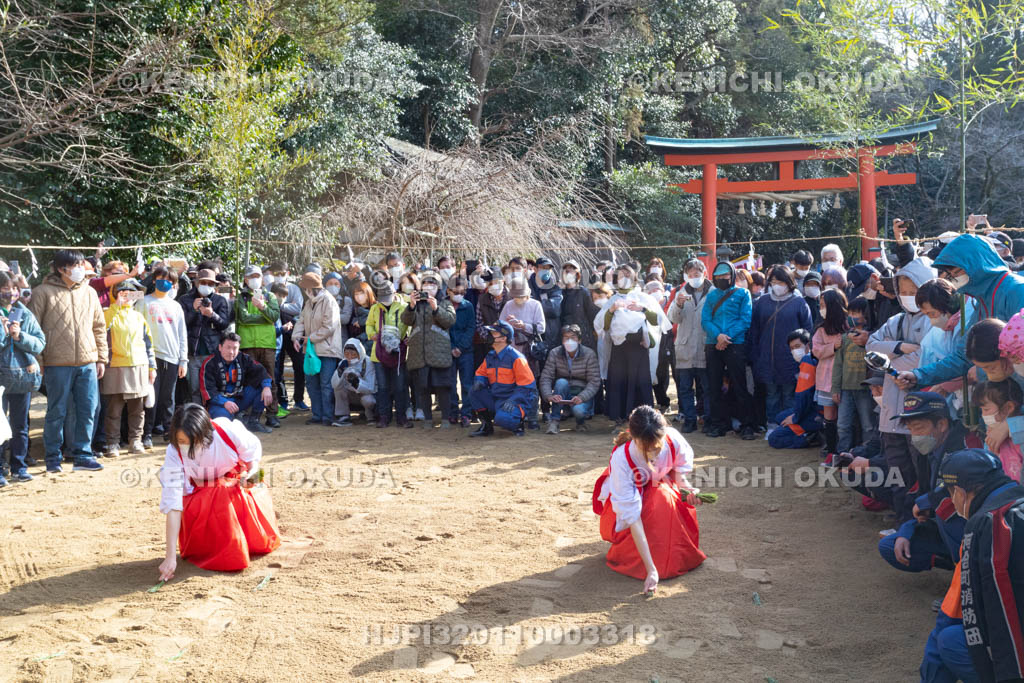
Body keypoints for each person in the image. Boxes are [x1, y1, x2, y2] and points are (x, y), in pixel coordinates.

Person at [157, 404, 280, 578]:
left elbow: (255, 465)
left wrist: (251, 478)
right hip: (201, 498)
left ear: (206, 434)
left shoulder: (227, 432)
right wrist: (170, 557)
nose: (187, 448)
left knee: (229, 491)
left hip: (235, 486)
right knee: (219, 493)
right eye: (182, 441)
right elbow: (173, 504)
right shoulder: (173, 452)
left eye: (193, 441)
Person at [592, 406, 706, 593]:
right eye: (648, 447)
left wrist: (689, 489)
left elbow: (677, 475)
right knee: (660, 499)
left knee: (664, 496)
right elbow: (632, 518)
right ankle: (650, 561)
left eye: (657, 445)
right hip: (633, 497)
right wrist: (651, 569)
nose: (654, 452)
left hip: (661, 486)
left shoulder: (673, 438)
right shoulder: (622, 459)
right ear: (634, 439)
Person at [899, 234, 1024, 392]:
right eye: (950, 275)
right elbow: (963, 355)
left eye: (956, 272)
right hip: (1004, 393)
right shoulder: (981, 301)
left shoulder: (1017, 290)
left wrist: (981, 369)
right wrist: (918, 376)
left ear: (975, 263)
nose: (953, 279)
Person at [940, 449, 1024, 682]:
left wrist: (1008, 675)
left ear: (958, 491)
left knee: (951, 640)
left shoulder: (984, 524)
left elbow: (986, 606)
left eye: (950, 494)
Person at [867, 255, 936, 524]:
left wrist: (891, 357)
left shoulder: (934, 321)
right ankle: (902, 523)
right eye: (903, 292)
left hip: (918, 411)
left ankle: (921, 529)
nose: (908, 297)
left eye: (913, 291)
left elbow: (926, 358)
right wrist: (901, 348)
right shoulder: (896, 320)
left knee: (921, 475)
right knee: (898, 475)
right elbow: (871, 347)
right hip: (890, 410)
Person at [28, 250, 108, 473]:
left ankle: (83, 454)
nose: (81, 269)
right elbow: (33, 329)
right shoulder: (42, 292)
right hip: (56, 362)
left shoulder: (90, 292)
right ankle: (53, 457)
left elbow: (99, 327)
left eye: (82, 264)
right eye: (76, 265)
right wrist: (39, 360)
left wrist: (101, 357)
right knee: (57, 411)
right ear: (62, 268)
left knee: (88, 408)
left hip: (87, 361)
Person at [878, 392, 968, 574]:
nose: (914, 436)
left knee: (947, 510)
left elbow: (966, 489)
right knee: (891, 545)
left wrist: (929, 502)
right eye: (910, 429)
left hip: (971, 525)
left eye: (918, 428)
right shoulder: (927, 452)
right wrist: (907, 529)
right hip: (940, 523)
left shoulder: (966, 445)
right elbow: (920, 494)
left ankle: (969, 576)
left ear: (942, 424)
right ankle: (956, 567)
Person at [598, 264, 669, 426]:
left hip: (639, 348)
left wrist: (641, 309)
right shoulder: (612, 300)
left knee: (639, 383)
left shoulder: (643, 297)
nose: (624, 278)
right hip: (619, 349)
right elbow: (604, 326)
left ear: (634, 277)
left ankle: (643, 421)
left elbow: (657, 320)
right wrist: (611, 310)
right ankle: (620, 420)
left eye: (627, 274)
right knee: (618, 383)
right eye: (620, 275)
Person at [750, 265, 812, 427]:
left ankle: (790, 426)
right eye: (774, 281)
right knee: (771, 395)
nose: (777, 285)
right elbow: (754, 330)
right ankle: (772, 426)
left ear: (789, 282)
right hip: (766, 358)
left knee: (790, 394)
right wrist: (755, 355)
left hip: (791, 359)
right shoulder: (762, 302)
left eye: (781, 282)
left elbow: (808, 331)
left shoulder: (799, 303)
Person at [101, 280, 156, 456]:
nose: (127, 296)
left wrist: (152, 367)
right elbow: (104, 328)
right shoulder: (107, 313)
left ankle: (135, 441)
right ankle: (112, 443)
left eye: (130, 293)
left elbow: (148, 343)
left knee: (137, 408)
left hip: (139, 365)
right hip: (115, 366)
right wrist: (116, 306)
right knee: (114, 409)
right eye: (122, 293)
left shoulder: (139, 316)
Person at [701, 261, 755, 439]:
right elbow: (705, 320)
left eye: (726, 276)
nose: (722, 279)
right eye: (719, 276)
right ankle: (718, 424)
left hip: (735, 343)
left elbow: (745, 320)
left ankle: (747, 424)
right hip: (713, 343)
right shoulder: (711, 296)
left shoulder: (743, 293)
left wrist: (726, 337)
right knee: (714, 386)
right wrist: (718, 336)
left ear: (732, 276)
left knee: (740, 385)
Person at [137, 265, 189, 447]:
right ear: (154, 280)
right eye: (161, 279)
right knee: (151, 396)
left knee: (169, 397)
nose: (165, 283)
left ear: (174, 284)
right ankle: (147, 432)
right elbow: (138, 331)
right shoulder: (144, 302)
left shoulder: (176, 306)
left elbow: (182, 334)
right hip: (151, 357)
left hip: (173, 357)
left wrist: (183, 360)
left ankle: (169, 430)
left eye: (169, 281)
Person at [0, 271, 45, 484]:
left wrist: (19, 336)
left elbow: (39, 342)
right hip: (1, 378)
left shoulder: (23, 313)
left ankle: (19, 466)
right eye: (6, 288)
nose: (12, 293)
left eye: (15, 289)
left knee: (20, 426)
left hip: (21, 378)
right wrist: (3, 333)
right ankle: (0, 469)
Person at [402, 270, 456, 428]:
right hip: (419, 354)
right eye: (425, 283)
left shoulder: (445, 302)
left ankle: (445, 419)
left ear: (438, 287)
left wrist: (436, 308)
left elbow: (450, 320)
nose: (429, 286)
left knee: (442, 387)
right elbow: (406, 320)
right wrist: (411, 305)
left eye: (432, 283)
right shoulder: (416, 304)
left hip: (439, 353)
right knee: (422, 388)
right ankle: (427, 419)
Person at [292, 271, 344, 427]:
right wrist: (296, 336)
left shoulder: (329, 301)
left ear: (312, 288)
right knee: (311, 382)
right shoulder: (309, 303)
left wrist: (311, 338)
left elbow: (329, 326)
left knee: (326, 384)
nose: (305, 291)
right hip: (311, 349)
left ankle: (327, 415)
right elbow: (301, 320)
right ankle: (317, 414)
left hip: (327, 350)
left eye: (306, 288)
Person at [667, 259, 712, 434]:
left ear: (704, 273)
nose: (694, 278)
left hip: (705, 346)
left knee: (707, 387)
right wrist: (678, 304)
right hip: (684, 347)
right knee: (685, 387)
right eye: (691, 275)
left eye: (697, 274)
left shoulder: (714, 292)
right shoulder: (681, 291)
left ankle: (708, 419)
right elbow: (673, 318)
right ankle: (689, 419)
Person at [470, 320, 536, 437]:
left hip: (514, 400)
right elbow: (481, 373)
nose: (489, 335)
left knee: (502, 420)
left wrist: (514, 400)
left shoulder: (516, 358)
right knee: (474, 391)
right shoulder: (490, 356)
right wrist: (480, 380)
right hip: (497, 398)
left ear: (503, 338)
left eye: (493, 333)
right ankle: (486, 426)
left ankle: (518, 423)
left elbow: (527, 386)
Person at [234, 265, 281, 427]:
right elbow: (243, 318)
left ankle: (272, 414)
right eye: (251, 276)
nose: (255, 279)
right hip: (247, 344)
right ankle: (249, 413)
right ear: (245, 279)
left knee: (270, 379)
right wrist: (264, 316)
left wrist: (262, 307)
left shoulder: (270, 296)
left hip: (267, 343)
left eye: (257, 276)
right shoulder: (242, 297)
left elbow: (274, 316)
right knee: (249, 380)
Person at [199, 333, 273, 433]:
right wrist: (224, 402)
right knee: (224, 425)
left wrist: (267, 387)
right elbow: (208, 390)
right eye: (228, 347)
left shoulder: (244, 358)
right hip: (219, 403)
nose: (231, 352)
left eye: (235, 348)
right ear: (220, 347)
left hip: (239, 398)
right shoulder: (209, 363)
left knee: (263, 387)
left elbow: (261, 371)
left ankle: (253, 422)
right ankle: (236, 419)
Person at [180, 269, 232, 405]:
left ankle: (214, 414)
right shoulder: (185, 299)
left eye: (210, 283)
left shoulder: (220, 300)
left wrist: (212, 314)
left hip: (213, 351)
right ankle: (197, 416)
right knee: (194, 388)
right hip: (193, 352)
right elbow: (181, 324)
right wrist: (193, 309)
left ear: (214, 285)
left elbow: (224, 324)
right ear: (197, 283)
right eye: (203, 282)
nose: (206, 286)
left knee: (214, 386)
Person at [500, 278, 545, 429]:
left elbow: (541, 328)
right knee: (512, 385)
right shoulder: (508, 305)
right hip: (512, 352)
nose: (519, 299)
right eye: (516, 296)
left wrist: (523, 326)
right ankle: (517, 416)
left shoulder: (535, 305)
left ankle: (532, 417)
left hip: (529, 352)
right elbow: (500, 327)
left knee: (531, 385)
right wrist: (508, 324)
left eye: (521, 296)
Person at [366, 275, 410, 428]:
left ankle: (401, 416)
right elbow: (369, 325)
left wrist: (407, 337)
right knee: (383, 387)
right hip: (379, 353)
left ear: (394, 293)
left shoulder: (404, 307)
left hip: (399, 353)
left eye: (387, 296)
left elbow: (410, 324)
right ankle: (384, 416)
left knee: (400, 386)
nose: (385, 299)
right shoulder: (374, 308)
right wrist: (373, 335)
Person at [540, 324, 600, 434]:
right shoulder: (554, 353)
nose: (569, 341)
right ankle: (555, 421)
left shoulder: (589, 354)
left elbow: (594, 381)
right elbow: (546, 377)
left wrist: (582, 397)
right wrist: (549, 395)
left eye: (573, 337)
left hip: (582, 392)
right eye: (566, 338)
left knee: (579, 411)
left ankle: (580, 423)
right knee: (561, 382)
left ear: (580, 340)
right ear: (562, 340)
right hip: (563, 390)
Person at [832, 297, 874, 453]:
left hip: (865, 390)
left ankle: (866, 454)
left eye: (856, 313)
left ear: (866, 315)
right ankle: (843, 454)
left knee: (868, 425)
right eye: (849, 313)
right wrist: (835, 389)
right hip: (845, 389)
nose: (851, 316)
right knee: (843, 425)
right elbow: (838, 365)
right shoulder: (844, 339)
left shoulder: (872, 338)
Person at [768, 329, 821, 449]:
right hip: (814, 408)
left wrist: (795, 417)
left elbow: (803, 395)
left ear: (808, 345)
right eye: (792, 348)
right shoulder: (813, 358)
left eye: (797, 346)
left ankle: (810, 438)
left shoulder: (808, 360)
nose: (794, 351)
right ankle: (810, 431)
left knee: (774, 439)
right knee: (780, 417)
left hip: (817, 413)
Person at [812, 289, 848, 460]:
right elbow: (816, 351)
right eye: (820, 306)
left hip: (845, 379)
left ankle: (845, 448)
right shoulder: (820, 330)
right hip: (826, 378)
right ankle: (831, 448)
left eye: (824, 305)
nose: (821, 309)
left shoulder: (849, 326)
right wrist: (834, 347)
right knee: (829, 415)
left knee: (845, 415)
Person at [974, 380, 1023, 482]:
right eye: (981, 410)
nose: (983, 415)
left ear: (1009, 407)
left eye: (986, 410)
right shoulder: (991, 434)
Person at [447, 276, 476, 427]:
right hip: (448, 351)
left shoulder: (468, 306)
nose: (459, 294)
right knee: (450, 383)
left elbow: (471, 328)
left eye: (462, 292)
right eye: (456, 291)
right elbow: (442, 329)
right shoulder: (443, 306)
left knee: (467, 384)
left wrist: (460, 347)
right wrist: (452, 347)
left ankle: (466, 414)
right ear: (448, 291)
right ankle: (453, 412)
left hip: (466, 351)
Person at [331, 338, 377, 426]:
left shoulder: (368, 362)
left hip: (365, 395)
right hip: (350, 395)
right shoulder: (343, 363)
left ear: (359, 352)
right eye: (347, 354)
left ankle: (370, 416)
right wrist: (340, 372)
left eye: (353, 354)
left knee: (368, 400)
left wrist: (356, 382)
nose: (350, 357)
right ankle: (343, 416)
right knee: (339, 388)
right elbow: (334, 385)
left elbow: (371, 388)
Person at [558, 260, 599, 353]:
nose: (568, 272)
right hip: (565, 339)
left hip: (583, 339)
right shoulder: (559, 293)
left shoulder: (583, 292)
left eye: (571, 269)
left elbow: (592, 315)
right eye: (565, 270)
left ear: (577, 274)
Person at [473, 267, 507, 370]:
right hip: (489, 345)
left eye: (495, 282)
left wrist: (506, 339)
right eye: (490, 283)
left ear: (503, 280)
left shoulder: (512, 297)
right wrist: (490, 339)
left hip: (510, 344)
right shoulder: (482, 299)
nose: (493, 286)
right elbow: (479, 322)